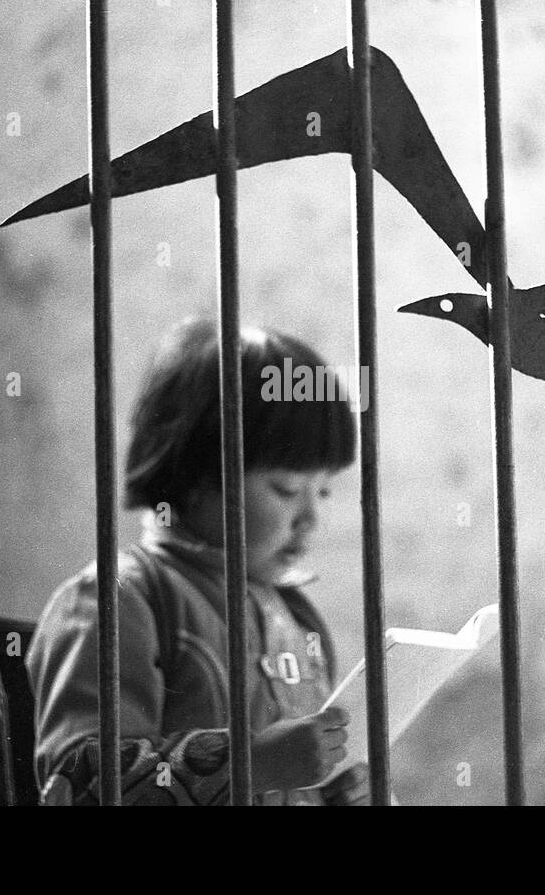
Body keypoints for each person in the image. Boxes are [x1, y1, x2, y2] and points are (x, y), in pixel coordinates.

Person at [26, 317, 370, 805]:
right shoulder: (118, 601)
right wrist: (249, 767)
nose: (311, 517)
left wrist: (340, 793)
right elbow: (75, 783)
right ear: (196, 473)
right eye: (287, 488)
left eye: (324, 490)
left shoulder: (296, 616)